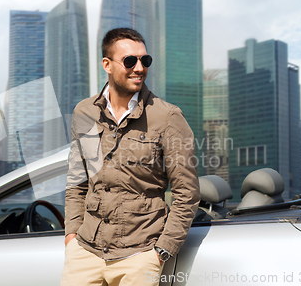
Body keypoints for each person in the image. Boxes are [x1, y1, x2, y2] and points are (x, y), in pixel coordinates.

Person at [60, 27, 200, 286]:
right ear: (107, 64)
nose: (139, 68)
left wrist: (161, 252)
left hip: (140, 255)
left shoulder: (168, 117)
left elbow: (187, 193)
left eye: (145, 60)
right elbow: (77, 181)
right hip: (85, 252)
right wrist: (71, 236)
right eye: (129, 60)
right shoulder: (84, 112)